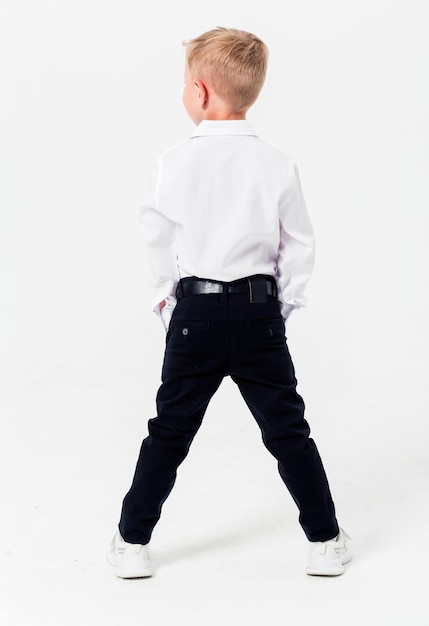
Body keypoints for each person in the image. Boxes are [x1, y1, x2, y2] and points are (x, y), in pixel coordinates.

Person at [108, 26, 351, 579]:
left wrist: (167, 306)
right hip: (259, 313)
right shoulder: (277, 164)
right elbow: (299, 243)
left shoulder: (173, 162)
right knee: (288, 430)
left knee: (169, 431)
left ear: (198, 91)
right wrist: (281, 308)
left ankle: (131, 543)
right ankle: (325, 540)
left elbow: (157, 240)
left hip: (193, 314)